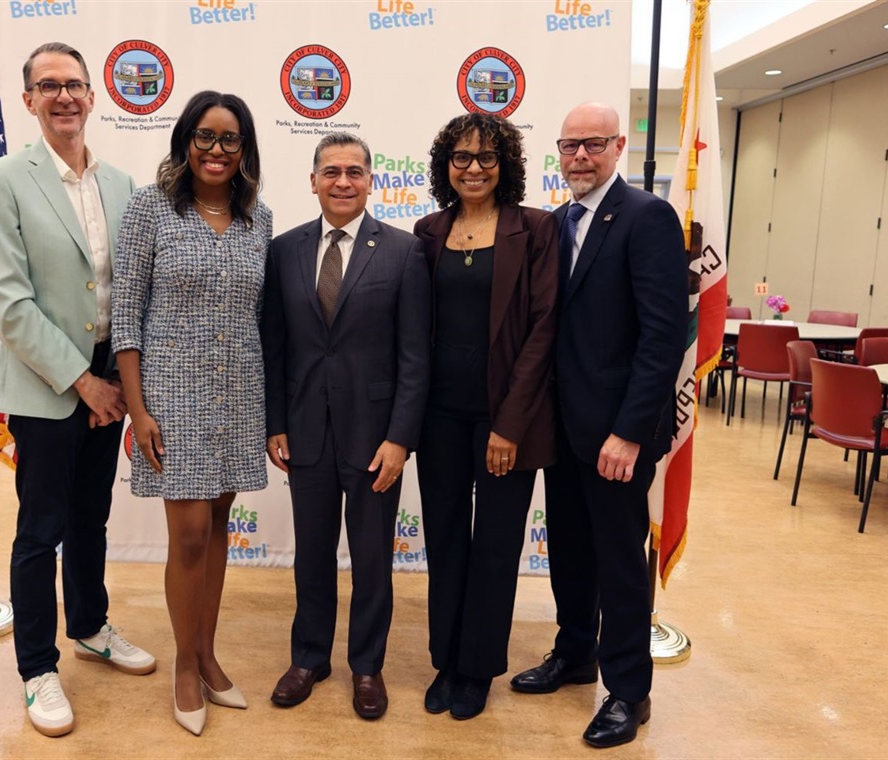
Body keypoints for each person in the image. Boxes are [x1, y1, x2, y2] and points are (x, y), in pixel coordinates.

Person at [0, 42, 155, 739]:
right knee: (39, 531)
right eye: (48, 86)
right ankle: (37, 668)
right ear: (28, 101)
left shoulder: (121, 185)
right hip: (51, 385)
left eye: (74, 84)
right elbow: (11, 303)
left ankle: (89, 626)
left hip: (110, 378)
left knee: (90, 517)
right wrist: (83, 383)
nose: (64, 97)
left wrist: (120, 383)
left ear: (91, 95)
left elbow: (127, 289)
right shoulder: (0, 179)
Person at [508, 102, 688, 748]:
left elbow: (665, 335)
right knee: (572, 557)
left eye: (592, 144)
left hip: (618, 436)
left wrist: (632, 430)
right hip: (563, 431)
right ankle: (575, 653)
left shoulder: (648, 218)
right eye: (568, 145)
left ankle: (629, 692)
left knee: (617, 563)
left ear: (617, 146)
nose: (579, 156)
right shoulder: (557, 222)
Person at [112, 91, 271, 737]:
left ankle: (208, 652)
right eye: (204, 137)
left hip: (239, 392)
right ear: (185, 142)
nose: (215, 150)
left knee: (220, 524)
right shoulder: (149, 210)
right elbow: (126, 314)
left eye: (230, 139)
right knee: (188, 537)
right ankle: (184, 663)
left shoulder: (258, 218)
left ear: (244, 150)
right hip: (171, 395)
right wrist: (138, 408)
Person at [262, 133, 431, 720]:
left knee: (371, 559)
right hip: (305, 431)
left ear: (370, 182)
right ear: (312, 181)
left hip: (375, 437)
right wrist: (275, 423)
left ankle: (367, 666)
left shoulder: (404, 252)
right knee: (310, 555)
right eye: (330, 171)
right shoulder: (283, 250)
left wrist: (400, 439)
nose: (342, 181)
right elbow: (276, 347)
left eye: (354, 172)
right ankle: (309, 657)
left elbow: (416, 356)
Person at [412, 112, 559, 720]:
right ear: (446, 166)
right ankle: (446, 659)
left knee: (495, 546)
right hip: (438, 418)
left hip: (505, 422)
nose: (474, 168)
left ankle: (477, 670)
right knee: (444, 543)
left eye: (487, 157)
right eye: (462, 157)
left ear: (507, 167)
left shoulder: (536, 230)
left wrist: (509, 426)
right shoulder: (426, 231)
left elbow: (544, 332)